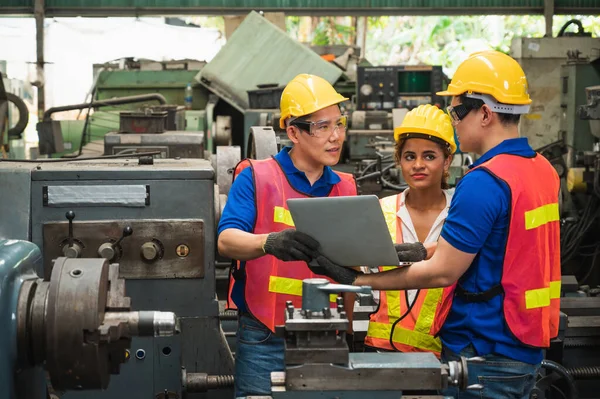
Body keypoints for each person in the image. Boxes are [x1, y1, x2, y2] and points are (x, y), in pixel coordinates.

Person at [309, 50, 561, 399]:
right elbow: (502, 248)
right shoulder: (542, 170)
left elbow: (442, 273)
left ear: (485, 113)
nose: (453, 121)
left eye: (456, 111)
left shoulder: (484, 181)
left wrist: (359, 279)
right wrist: (418, 250)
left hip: (485, 348)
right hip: (526, 342)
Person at [217, 73, 358, 398]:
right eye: (323, 127)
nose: (336, 136)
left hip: (328, 335)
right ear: (293, 131)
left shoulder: (346, 188)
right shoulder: (256, 175)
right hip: (264, 334)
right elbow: (227, 241)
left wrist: (348, 333)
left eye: (340, 124)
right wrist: (268, 242)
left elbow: (355, 267)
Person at [360, 104, 456, 357]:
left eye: (429, 156)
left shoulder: (463, 212)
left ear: (447, 161)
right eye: (410, 156)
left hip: (444, 356)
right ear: (399, 161)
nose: (418, 165)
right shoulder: (380, 211)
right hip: (379, 352)